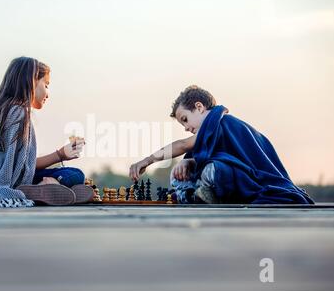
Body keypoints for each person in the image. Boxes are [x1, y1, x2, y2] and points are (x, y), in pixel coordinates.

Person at [0, 56, 93, 207]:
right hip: (5, 185)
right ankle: (43, 187)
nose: (48, 93)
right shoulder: (19, 114)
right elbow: (24, 169)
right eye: (46, 85)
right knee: (74, 175)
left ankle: (54, 190)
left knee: (68, 174)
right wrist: (60, 155)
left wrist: (62, 154)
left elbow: (19, 163)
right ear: (32, 81)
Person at [129, 85, 314, 204]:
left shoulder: (219, 121)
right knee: (178, 172)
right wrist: (190, 160)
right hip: (231, 176)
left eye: (185, 119)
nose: (186, 127)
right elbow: (203, 150)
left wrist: (148, 160)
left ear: (200, 107)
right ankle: (195, 195)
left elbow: (184, 144)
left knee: (214, 169)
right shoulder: (211, 128)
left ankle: (200, 194)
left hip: (248, 179)